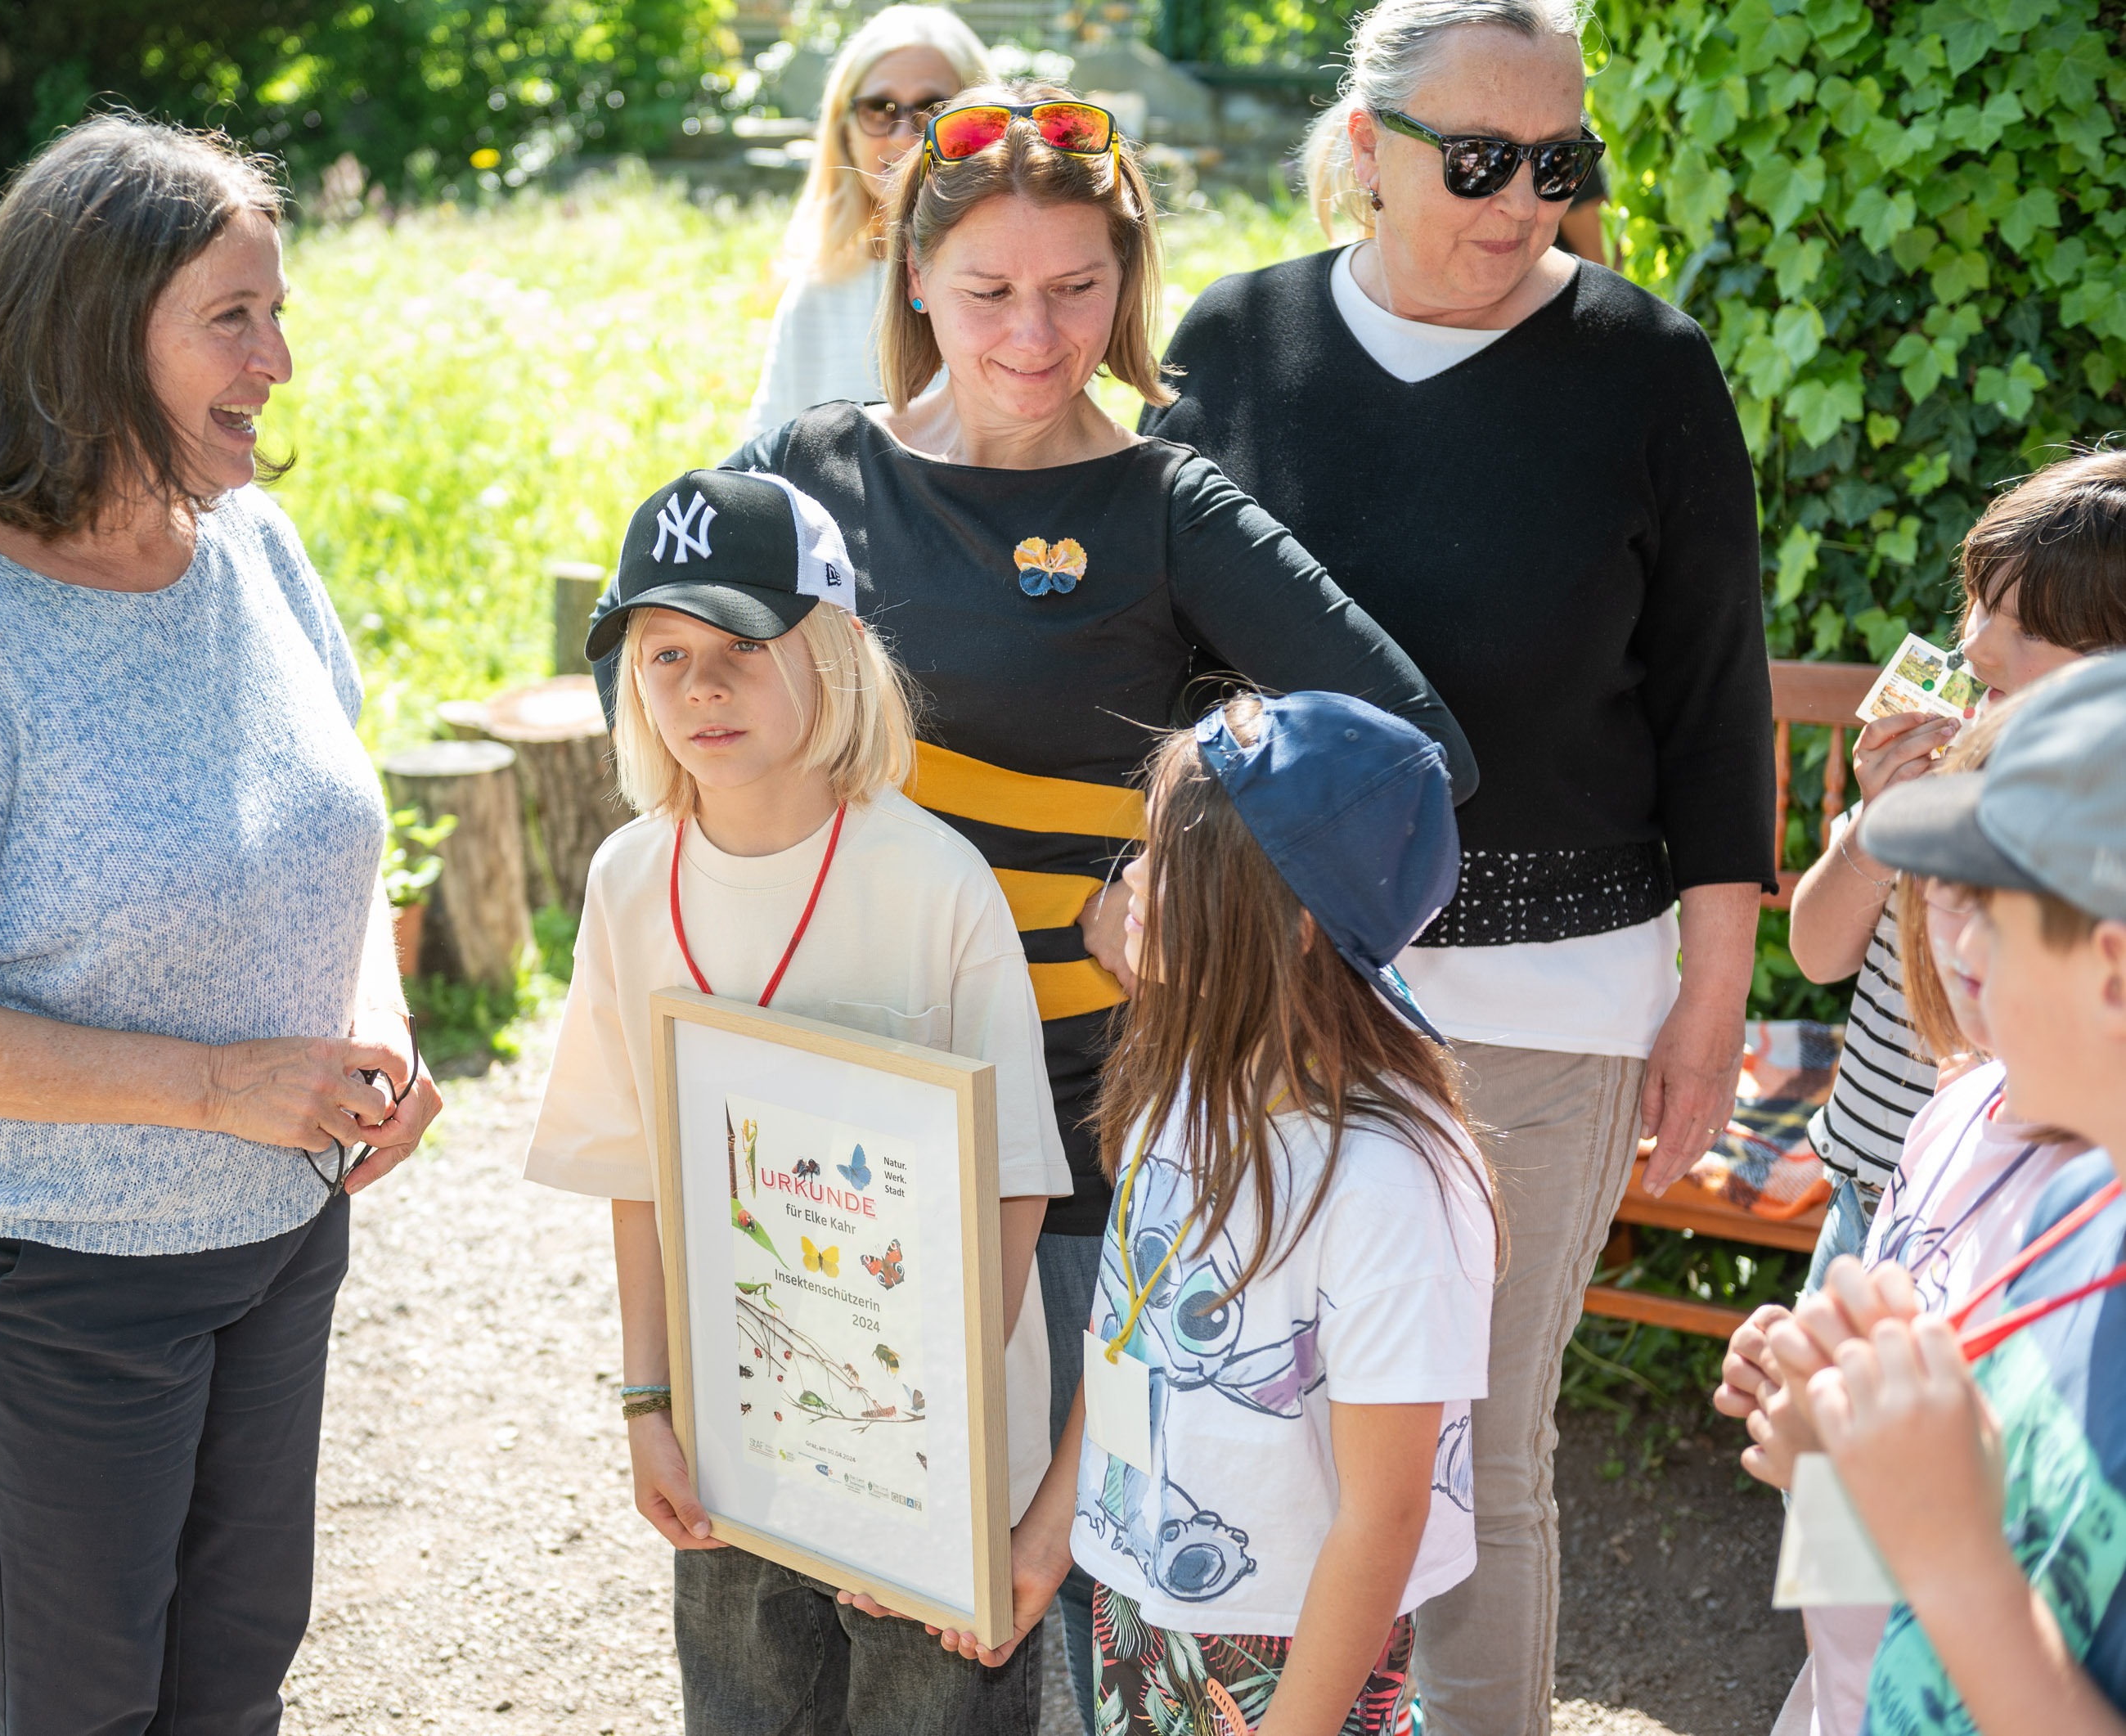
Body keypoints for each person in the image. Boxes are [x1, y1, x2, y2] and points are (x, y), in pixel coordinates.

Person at [676, 79, 1477, 1698]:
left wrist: (1182, 886)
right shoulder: (803, 474)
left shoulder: (1164, 507)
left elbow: (1411, 751)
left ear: (1127, 284)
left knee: (956, 1633)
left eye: (1076, 288)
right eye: (986, 291)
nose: (1033, 336)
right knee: (754, 1599)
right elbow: (664, 693)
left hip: (1057, 1141)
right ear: (910, 280)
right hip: (806, 1118)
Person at [1135, 2, 1775, 1724]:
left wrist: (1709, 994)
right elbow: (1167, 652)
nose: (1520, 207)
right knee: (1246, 1410)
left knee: (1479, 1447)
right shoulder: (1235, 338)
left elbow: (1715, 706)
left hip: (1550, 995)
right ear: (1363, 150)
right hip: (1260, 991)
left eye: (1556, 164)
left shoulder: (1648, 366)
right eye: (1478, 163)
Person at [0, 116, 438, 1732]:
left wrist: (381, 1025)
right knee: (86, 1696)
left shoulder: (253, 546)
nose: (279, 358)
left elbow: (337, 845)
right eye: (232, 316)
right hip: (49, 1265)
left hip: (278, 1228)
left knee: (236, 1668)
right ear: (96, 335)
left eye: (275, 309)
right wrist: (225, 1086)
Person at [524, 467, 1073, 1731]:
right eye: (662, 655)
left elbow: (1013, 1181)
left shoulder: (934, 881)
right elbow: (634, 1169)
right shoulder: (625, 879)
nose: (699, 689)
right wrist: (648, 1404)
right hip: (732, 1443)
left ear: (832, 650)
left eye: (740, 647)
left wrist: (919, 1462)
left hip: (930, 1457)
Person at [967, 691, 1494, 1733]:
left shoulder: (1387, 1185)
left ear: (1289, 923)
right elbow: (1132, 1340)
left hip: (1295, 1651)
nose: (1133, 886)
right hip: (1139, 1609)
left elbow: (1383, 1520)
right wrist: (1044, 1539)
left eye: (1169, 861)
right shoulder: (1187, 1087)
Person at [1741, 652, 2126, 1735]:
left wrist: (1950, 1556)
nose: (1952, 952)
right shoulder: (2073, 1211)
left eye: (1985, 916)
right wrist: (1833, 1460)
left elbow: (1954, 1555)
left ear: (2110, 970)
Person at [1787, 447, 2126, 1280]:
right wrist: (1876, 824)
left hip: (2000, 1224)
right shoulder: (1939, 770)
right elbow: (1817, 953)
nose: (1975, 647)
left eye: (2032, 632)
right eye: (1978, 603)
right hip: (1869, 1190)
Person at [740, 6, 989, 440]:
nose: (904, 136)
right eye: (879, 109)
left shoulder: (1026, 279)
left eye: (935, 109)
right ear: (844, 133)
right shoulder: (817, 293)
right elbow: (763, 472)